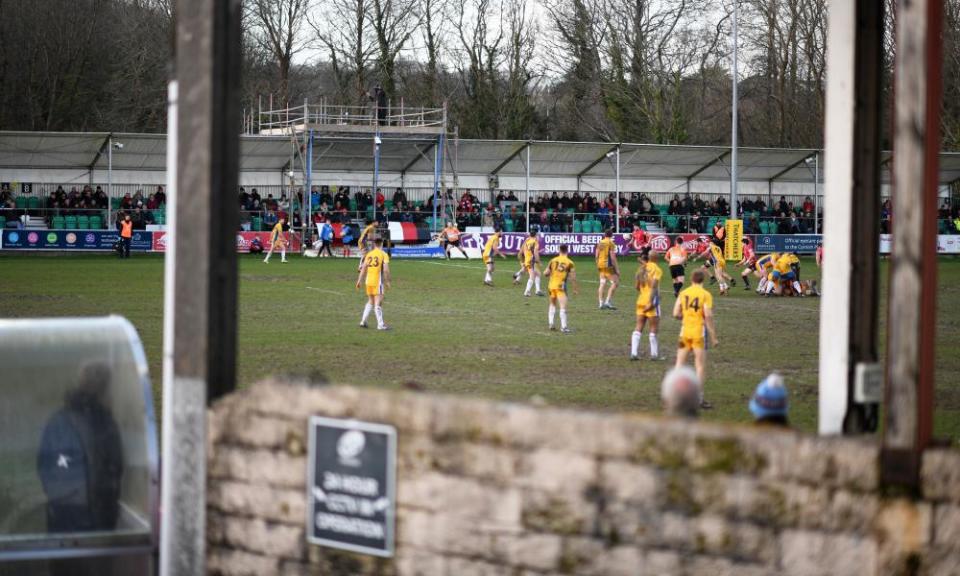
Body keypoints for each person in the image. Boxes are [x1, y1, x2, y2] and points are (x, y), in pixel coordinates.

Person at [37, 362, 123, 533]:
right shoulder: (104, 423)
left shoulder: (59, 420)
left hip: (64, 518)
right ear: (104, 389)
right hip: (95, 520)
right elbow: (115, 470)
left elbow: (44, 467)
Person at [673, 269, 718, 409]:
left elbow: (675, 314)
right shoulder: (705, 295)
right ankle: (698, 398)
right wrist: (714, 337)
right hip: (699, 333)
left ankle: (675, 395)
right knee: (699, 366)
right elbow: (708, 316)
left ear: (691, 279)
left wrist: (685, 317)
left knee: (679, 364)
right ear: (703, 280)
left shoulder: (683, 293)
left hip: (684, 332)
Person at [631, 250, 663, 361]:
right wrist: (651, 302)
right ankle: (654, 355)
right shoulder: (657, 269)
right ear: (657, 258)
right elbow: (654, 286)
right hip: (652, 301)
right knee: (653, 328)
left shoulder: (641, 269)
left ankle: (634, 353)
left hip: (641, 300)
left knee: (639, 325)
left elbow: (636, 286)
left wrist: (644, 292)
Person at [356, 238, 391, 330]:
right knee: (378, 303)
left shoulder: (369, 254)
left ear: (375, 244)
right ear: (381, 244)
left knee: (371, 301)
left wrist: (359, 281)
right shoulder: (383, 254)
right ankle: (380, 325)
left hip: (368, 281)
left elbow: (363, 269)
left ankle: (363, 321)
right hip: (377, 282)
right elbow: (386, 270)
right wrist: (387, 281)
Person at [544, 244, 578, 333]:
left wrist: (550, 273)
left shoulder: (553, 260)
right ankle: (564, 327)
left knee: (552, 304)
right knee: (563, 307)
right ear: (567, 250)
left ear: (559, 250)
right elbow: (573, 277)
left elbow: (545, 273)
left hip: (551, 286)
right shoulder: (570, 262)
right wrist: (575, 288)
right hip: (560, 286)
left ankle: (551, 323)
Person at [514, 229, 544, 297]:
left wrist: (523, 259)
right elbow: (535, 252)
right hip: (531, 261)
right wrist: (539, 261)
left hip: (527, 260)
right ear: (536, 235)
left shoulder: (527, 240)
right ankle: (527, 291)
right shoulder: (535, 241)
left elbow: (521, 251)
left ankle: (537, 290)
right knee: (532, 276)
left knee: (537, 273)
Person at [595, 229, 620, 310]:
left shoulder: (600, 242)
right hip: (608, 265)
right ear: (611, 235)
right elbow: (612, 257)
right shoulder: (611, 243)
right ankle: (607, 302)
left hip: (600, 265)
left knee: (602, 283)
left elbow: (596, 254)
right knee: (615, 283)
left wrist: (597, 263)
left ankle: (600, 303)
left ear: (604, 235)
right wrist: (617, 268)